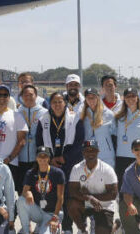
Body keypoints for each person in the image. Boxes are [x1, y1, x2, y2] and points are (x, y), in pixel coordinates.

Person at [37, 92, 86, 233]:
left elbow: (79, 143)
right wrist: (50, 160)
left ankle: (67, 227)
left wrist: (65, 158)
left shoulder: (75, 118)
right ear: (50, 104)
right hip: (50, 164)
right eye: (54, 102)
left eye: (60, 102)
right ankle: (52, 224)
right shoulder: (43, 119)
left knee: (69, 196)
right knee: (52, 195)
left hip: (69, 164)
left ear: (65, 103)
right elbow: (39, 142)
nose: (57, 105)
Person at [67, 140, 117, 234]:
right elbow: (72, 191)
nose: (90, 153)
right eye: (87, 150)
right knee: (71, 204)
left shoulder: (107, 169)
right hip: (85, 203)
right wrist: (89, 198)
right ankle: (82, 230)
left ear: (98, 151)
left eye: (93, 150)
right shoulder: (77, 168)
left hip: (104, 206)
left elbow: (113, 194)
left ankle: (115, 226)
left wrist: (92, 197)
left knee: (103, 231)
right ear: (83, 152)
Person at [0, 84, 29, 185]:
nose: (2, 98)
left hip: (10, 163)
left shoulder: (16, 115)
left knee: (9, 196)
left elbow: (22, 141)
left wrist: (9, 158)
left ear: (9, 98)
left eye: (5, 95)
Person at [18, 147, 65, 234]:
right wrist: (28, 193)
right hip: (39, 212)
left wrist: (55, 218)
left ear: (49, 158)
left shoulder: (58, 173)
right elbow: (24, 192)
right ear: (36, 158)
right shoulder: (31, 173)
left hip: (52, 214)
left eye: (45, 156)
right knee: (21, 200)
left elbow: (60, 198)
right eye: (40, 156)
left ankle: (54, 227)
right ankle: (26, 231)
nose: (42, 158)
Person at [113, 88, 140, 185]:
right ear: (124, 99)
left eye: (133, 96)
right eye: (128, 96)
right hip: (121, 157)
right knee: (123, 189)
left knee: (138, 189)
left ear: (137, 98)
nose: (130, 99)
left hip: (138, 158)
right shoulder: (119, 117)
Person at [16, 84, 48, 195]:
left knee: (38, 190)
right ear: (21, 96)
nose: (28, 97)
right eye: (25, 95)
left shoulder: (44, 112)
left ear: (36, 96)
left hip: (38, 158)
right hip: (21, 158)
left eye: (31, 94)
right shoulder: (16, 112)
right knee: (21, 189)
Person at [81, 89, 116, 168]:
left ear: (98, 98)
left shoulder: (108, 114)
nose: (91, 100)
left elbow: (115, 134)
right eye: (88, 98)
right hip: (89, 155)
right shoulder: (83, 115)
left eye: (93, 97)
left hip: (106, 155)